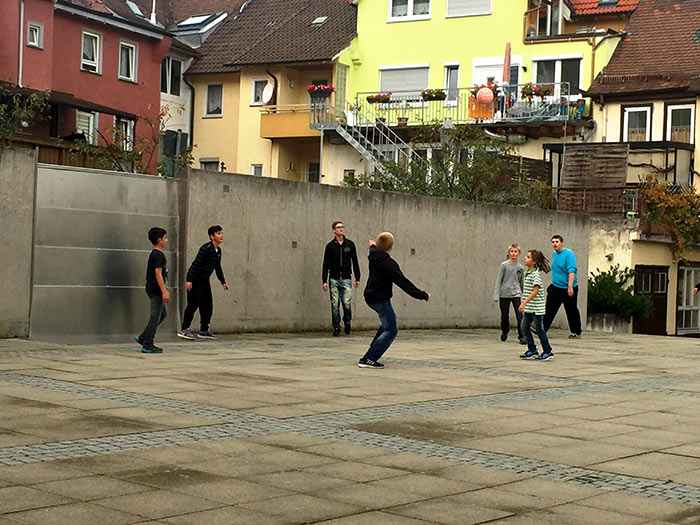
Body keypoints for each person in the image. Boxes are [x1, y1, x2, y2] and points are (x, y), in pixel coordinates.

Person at [359, 232, 430, 369]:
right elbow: (404, 283)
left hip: (370, 296)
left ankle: (373, 349)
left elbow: (373, 247)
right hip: (380, 299)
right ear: (390, 248)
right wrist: (423, 295)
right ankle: (369, 358)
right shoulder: (389, 264)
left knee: (387, 323)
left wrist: (372, 244)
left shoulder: (374, 255)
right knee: (391, 329)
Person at [177, 225, 229, 340]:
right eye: (218, 233)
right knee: (193, 304)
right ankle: (184, 329)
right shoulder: (206, 249)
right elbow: (195, 264)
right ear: (211, 236)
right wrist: (189, 280)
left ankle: (204, 329)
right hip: (196, 280)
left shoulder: (218, 251)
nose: (221, 236)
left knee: (207, 305)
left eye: (222, 233)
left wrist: (223, 281)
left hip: (205, 281)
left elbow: (217, 267)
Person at [322, 221, 361, 336]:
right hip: (333, 278)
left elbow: (355, 261)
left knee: (346, 302)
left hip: (346, 278)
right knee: (335, 304)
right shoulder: (330, 246)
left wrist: (357, 277)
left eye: (342, 227)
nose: (341, 229)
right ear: (334, 230)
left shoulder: (350, 244)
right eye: (338, 227)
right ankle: (336, 326)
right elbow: (325, 264)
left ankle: (347, 321)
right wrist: (324, 280)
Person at [136, 227, 170, 354]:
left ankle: (143, 337)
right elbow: (158, 273)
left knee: (162, 314)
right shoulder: (158, 255)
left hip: (153, 288)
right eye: (165, 238)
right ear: (159, 239)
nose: (166, 240)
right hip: (156, 289)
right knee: (155, 316)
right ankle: (148, 343)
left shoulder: (155, 254)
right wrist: (164, 291)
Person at [543, 235, 582, 339]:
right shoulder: (554, 254)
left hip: (568, 286)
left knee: (571, 310)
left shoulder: (568, 254)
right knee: (549, 308)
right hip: (556, 286)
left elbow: (571, 270)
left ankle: (576, 331)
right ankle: (542, 329)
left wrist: (570, 287)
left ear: (562, 243)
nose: (555, 244)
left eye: (557, 241)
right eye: (553, 242)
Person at [518, 249, 554, 360]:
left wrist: (524, 302)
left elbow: (535, 291)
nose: (525, 258)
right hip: (529, 308)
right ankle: (532, 349)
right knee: (524, 327)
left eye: (528, 257)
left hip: (536, 308)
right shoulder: (527, 273)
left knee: (539, 330)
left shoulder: (535, 275)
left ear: (534, 262)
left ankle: (548, 351)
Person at [494, 244, 525, 344]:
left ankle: (522, 335)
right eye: (512, 251)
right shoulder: (504, 265)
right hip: (504, 294)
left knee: (519, 315)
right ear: (509, 253)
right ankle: (505, 331)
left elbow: (522, 282)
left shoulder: (520, 267)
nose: (513, 253)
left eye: (515, 251)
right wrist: (496, 294)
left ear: (519, 253)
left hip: (516, 293)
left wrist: (525, 294)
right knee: (504, 315)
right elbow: (499, 280)